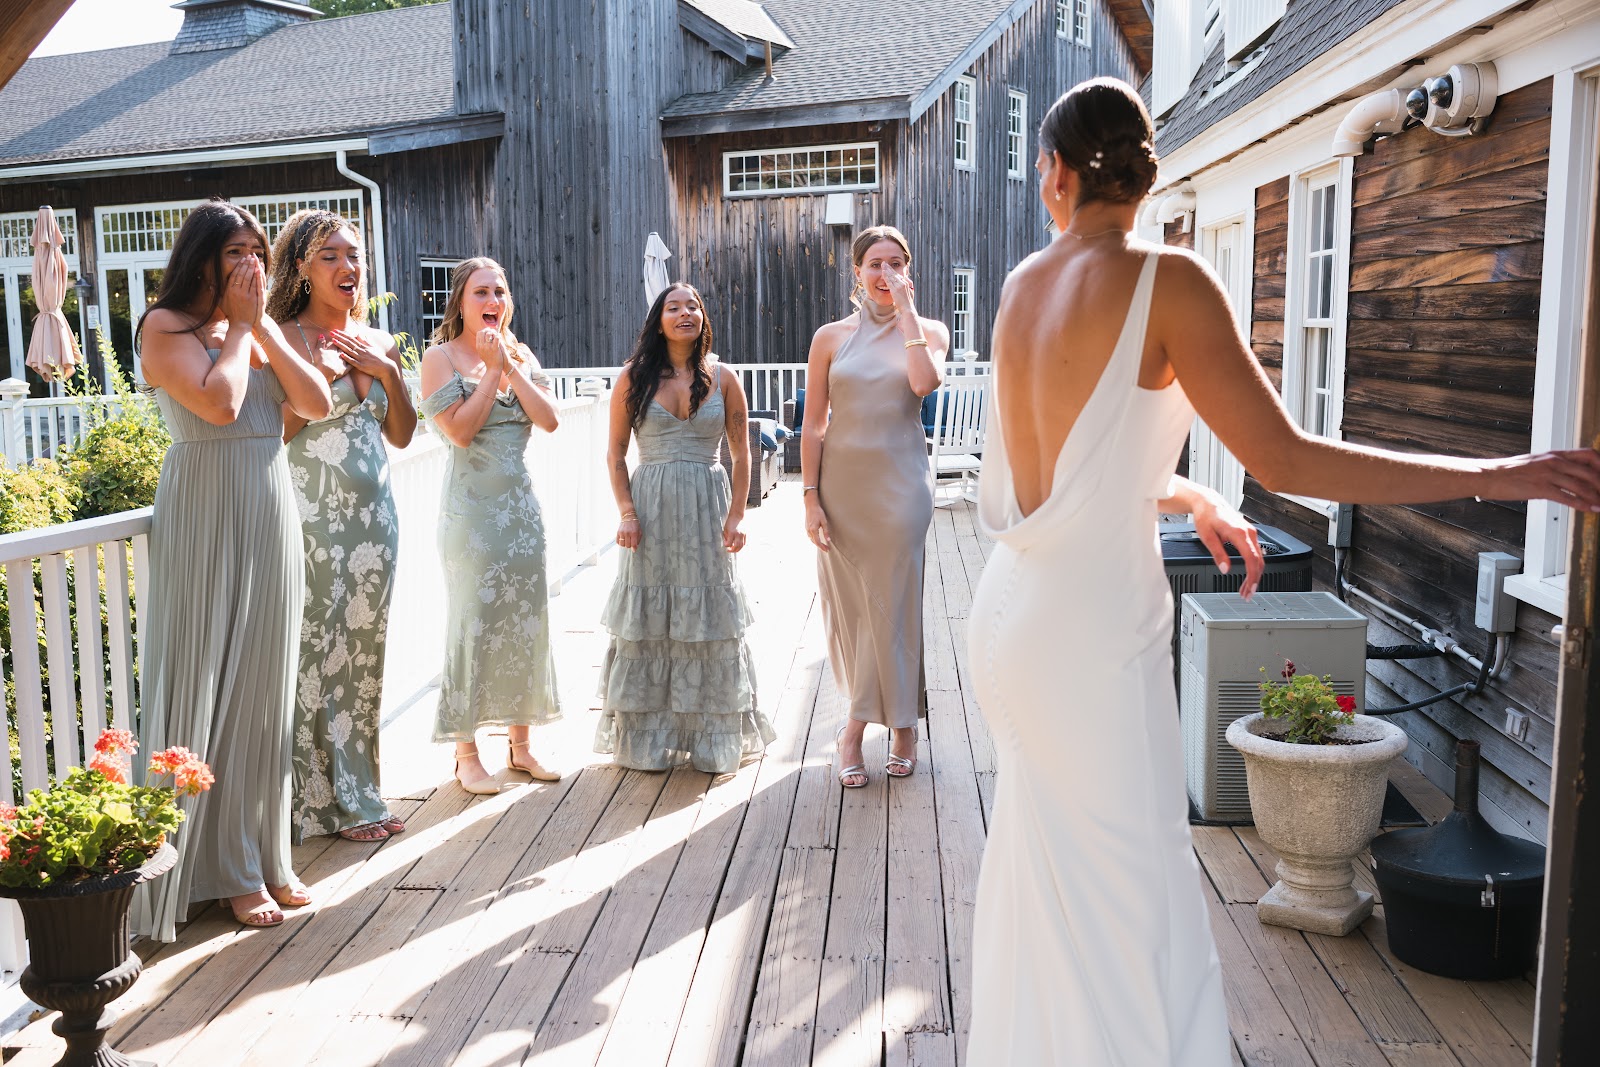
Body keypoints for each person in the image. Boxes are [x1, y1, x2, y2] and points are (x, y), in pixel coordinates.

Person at [965, 76, 1600, 1065]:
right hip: (1090, 639)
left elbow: (1060, 473)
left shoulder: (1020, 287)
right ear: (1144, 173)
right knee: (1133, 897)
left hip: (1012, 616)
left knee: (1051, 876)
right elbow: (1289, 460)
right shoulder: (1168, 281)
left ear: (1053, 173)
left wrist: (1186, 495)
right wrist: (1490, 473)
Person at [133, 199, 333, 934]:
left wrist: (264, 331)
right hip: (205, 515)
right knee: (204, 680)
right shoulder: (164, 327)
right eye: (235, 252)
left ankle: (259, 855)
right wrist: (245, 330)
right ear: (203, 259)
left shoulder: (255, 329)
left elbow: (315, 403)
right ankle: (208, 872)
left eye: (257, 251)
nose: (251, 263)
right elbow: (219, 406)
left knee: (262, 688)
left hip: (269, 508)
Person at [267, 209, 418, 844]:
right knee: (312, 656)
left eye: (353, 254)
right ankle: (309, 805)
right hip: (311, 524)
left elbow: (402, 433)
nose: (346, 266)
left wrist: (388, 373)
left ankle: (358, 791)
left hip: (374, 525)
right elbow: (272, 434)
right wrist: (324, 376)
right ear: (302, 267)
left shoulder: (378, 340)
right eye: (329, 255)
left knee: (361, 657)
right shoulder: (281, 339)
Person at [594, 282, 773, 774]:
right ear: (659, 319)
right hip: (650, 511)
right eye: (673, 307)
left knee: (709, 618)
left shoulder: (724, 377)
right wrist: (627, 513)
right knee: (649, 618)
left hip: (706, 509)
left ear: (703, 317)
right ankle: (649, 741)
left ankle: (712, 741)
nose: (685, 313)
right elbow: (615, 454)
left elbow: (741, 454)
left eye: (693, 305)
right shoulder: (633, 377)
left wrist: (736, 515)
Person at [802, 225, 946, 788]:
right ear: (857, 273)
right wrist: (810, 497)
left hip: (902, 489)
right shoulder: (829, 337)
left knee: (896, 605)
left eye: (895, 264)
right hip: (842, 489)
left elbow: (924, 384)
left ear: (908, 270)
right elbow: (813, 425)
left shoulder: (930, 331)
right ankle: (896, 725)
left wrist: (906, 315)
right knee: (859, 611)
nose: (885, 274)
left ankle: (861, 731)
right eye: (874, 265)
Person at [417, 257, 563, 792]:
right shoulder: (438, 358)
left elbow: (549, 420)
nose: (492, 301)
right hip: (470, 516)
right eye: (481, 292)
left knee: (525, 622)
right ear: (460, 301)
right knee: (472, 623)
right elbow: (458, 432)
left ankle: (521, 747)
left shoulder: (521, 355)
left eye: (499, 291)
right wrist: (490, 372)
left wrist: (509, 366)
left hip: (521, 513)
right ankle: (465, 753)